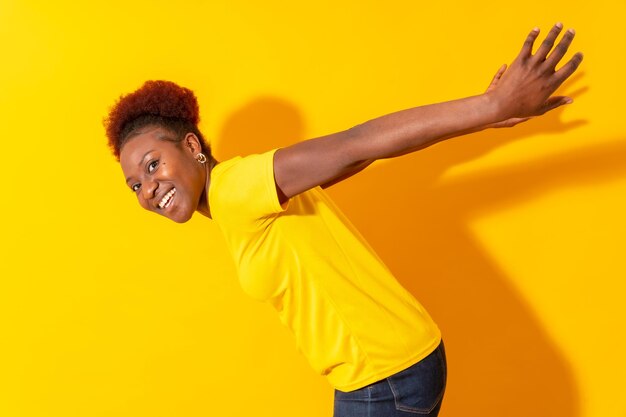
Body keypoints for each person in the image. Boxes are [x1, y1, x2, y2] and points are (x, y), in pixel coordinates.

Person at [104, 23, 582, 417]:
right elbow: (356, 159)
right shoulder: (242, 198)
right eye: (135, 185)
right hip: (389, 367)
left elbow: (358, 142)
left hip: (383, 377)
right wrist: (479, 117)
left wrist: (489, 107)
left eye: (152, 165)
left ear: (191, 146)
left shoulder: (236, 187)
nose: (148, 188)